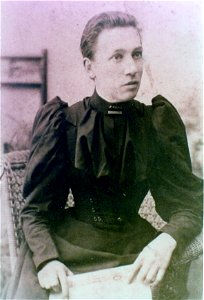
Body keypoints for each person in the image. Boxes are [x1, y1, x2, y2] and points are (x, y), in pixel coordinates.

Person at [4, 11, 202, 300]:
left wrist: (166, 240)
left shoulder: (155, 124)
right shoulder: (64, 123)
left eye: (137, 54)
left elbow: (189, 205)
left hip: (137, 251)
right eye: (117, 57)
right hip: (67, 250)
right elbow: (35, 211)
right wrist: (47, 260)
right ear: (90, 67)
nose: (132, 68)